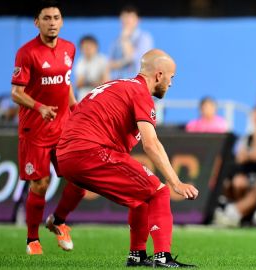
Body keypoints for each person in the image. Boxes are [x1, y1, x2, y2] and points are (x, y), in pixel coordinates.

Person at [56, 49, 198, 267]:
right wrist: (175, 181)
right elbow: (151, 144)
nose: (171, 83)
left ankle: (137, 255)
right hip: (90, 151)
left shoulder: (117, 85)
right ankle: (163, 258)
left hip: (66, 155)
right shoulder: (140, 93)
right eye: (171, 77)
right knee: (159, 192)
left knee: (140, 198)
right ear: (159, 75)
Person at [10, 0, 86, 255]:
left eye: (56, 17)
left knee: (80, 180)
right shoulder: (27, 52)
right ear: (37, 22)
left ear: (61, 21)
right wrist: (40, 107)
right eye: (46, 18)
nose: (52, 22)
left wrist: (76, 108)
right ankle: (33, 239)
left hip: (63, 129)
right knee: (40, 185)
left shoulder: (69, 48)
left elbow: (66, 83)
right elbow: (16, 93)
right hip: (35, 131)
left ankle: (60, 221)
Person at [214, 106, 256, 227]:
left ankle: (232, 213)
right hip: (248, 174)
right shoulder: (246, 137)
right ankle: (241, 216)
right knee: (236, 182)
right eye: (255, 119)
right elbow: (240, 157)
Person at [109, 4, 154, 80]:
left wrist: (125, 38)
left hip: (136, 83)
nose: (127, 21)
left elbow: (132, 58)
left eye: (130, 17)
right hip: (118, 83)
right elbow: (110, 64)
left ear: (138, 20)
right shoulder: (116, 41)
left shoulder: (144, 38)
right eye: (124, 17)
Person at [74, 35, 109, 100]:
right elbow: (78, 84)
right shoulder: (80, 62)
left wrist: (88, 83)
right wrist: (94, 83)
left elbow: (106, 82)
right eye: (85, 47)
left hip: (100, 96)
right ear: (81, 49)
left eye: (90, 47)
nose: (88, 49)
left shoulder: (103, 60)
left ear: (96, 47)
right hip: (83, 97)